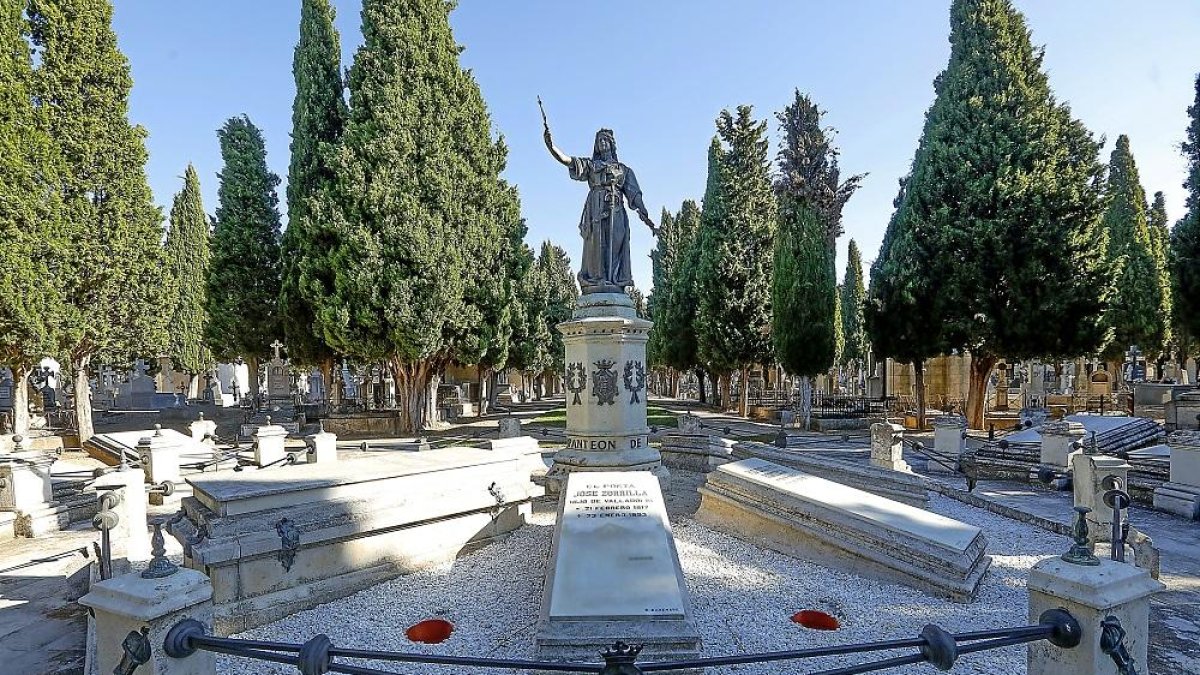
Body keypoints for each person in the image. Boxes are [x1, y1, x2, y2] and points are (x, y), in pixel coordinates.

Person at [543, 126, 657, 293]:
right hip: (596, 209)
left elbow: (634, 194)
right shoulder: (590, 165)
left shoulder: (623, 170)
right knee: (596, 245)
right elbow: (567, 161)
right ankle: (597, 280)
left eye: (605, 140)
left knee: (616, 243)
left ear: (611, 144)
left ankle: (615, 281)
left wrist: (645, 214)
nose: (602, 143)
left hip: (616, 210)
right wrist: (551, 146)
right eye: (599, 141)